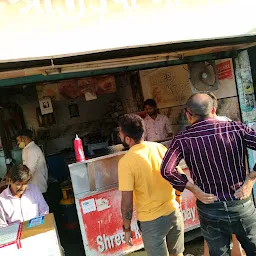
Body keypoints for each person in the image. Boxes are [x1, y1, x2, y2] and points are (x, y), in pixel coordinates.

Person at [161, 93, 256, 256]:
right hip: (240, 203)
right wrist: (250, 180)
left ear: (188, 115)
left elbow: (166, 170)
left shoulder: (183, 138)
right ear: (213, 110)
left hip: (210, 207)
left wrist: (193, 189)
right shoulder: (236, 128)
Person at [118, 114, 184, 256]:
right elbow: (180, 177)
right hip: (173, 212)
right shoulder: (159, 148)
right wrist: (177, 198)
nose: (119, 135)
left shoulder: (126, 162)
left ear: (127, 139)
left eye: (120, 133)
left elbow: (127, 203)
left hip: (151, 222)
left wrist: (127, 228)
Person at [206, 92, 243, 256]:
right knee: (235, 227)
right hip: (232, 182)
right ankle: (238, 251)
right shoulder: (229, 123)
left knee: (210, 229)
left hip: (210, 185)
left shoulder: (198, 128)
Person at [16, 129, 48, 195]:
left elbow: (29, 171)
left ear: (23, 138)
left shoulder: (32, 150)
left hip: (38, 187)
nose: (17, 143)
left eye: (18, 140)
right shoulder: (27, 149)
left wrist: (20, 185)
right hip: (33, 187)